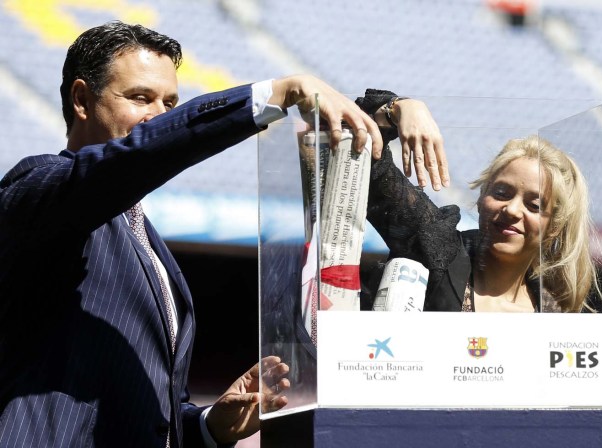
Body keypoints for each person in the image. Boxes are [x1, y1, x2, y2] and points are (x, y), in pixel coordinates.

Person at [0, 21, 447, 448]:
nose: (158, 117)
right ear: (82, 99)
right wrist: (277, 93)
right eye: (140, 97)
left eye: (170, 104)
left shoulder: (147, 244)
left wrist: (213, 424)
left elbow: (155, 416)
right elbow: (122, 164)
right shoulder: (41, 190)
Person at [359, 89, 602, 313]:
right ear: (481, 199)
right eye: (501, 193)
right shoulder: (435, 248)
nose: (511, 209)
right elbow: (363, 162)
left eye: (534, 205)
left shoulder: (555, 312)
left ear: (554, 227)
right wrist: (399, 108)